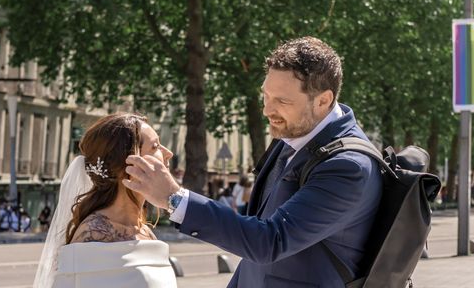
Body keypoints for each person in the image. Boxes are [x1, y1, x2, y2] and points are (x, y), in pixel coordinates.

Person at [124, 37, 383, 288]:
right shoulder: (295, 133)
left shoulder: (348, 166)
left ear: (323, 101)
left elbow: (270, 241)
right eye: (266, 96)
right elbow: (253, 240)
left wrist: (174, 198)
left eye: (282, 101)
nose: (267, 110)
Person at [33, 113, 177, 288]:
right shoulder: (92, 236)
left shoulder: (144, 231)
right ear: (128, 165)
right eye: (155, 146)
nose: (168, 153)